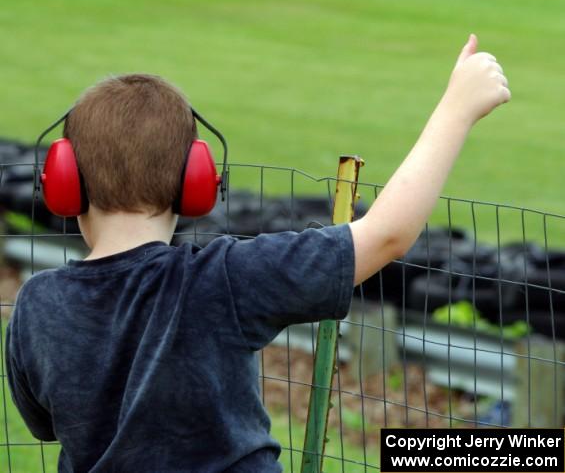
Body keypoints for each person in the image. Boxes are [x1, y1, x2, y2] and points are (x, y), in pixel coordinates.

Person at [6, 34, 510, 473]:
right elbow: (386, 235)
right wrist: (456, 109)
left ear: (64, 183)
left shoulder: (36, 304)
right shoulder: (224, 278)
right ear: (197, 181)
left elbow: (48, 425)